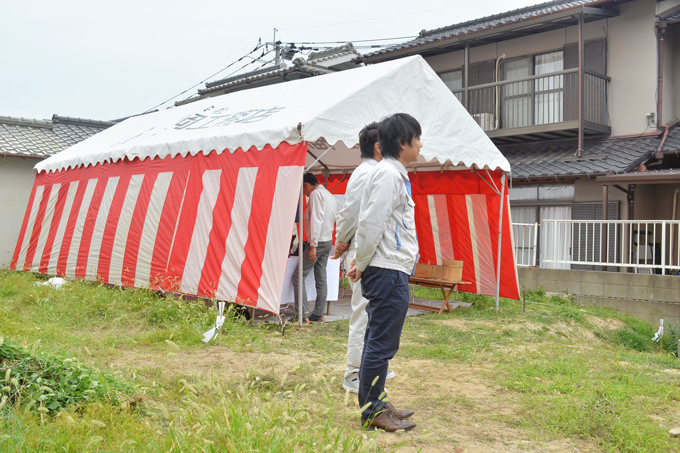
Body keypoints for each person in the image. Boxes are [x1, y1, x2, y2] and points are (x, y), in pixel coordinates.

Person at [348, 113, 422, 432]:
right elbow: (371, 222)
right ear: (403, 143)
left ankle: (376, 401)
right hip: (386, 269)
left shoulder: (393, 174)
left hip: (391, 267)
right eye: (416, 138)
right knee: (380, 342)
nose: (420, 144)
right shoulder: (389, 175)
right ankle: (372, 410)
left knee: (378, 340)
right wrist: (361, 263)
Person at [332, 123, 395, 393]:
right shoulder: (365, 173)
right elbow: (349, 213)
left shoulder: (379, 172)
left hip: (374, 253)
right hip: (362, 252)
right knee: (362, 313)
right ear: (379, 146)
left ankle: (371, 366)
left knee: (375, 314)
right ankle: (354, 372)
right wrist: (342, 243)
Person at [291, 172, 337, 323]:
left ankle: (302, 314)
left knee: (298, 276)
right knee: (321, 276)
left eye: (303, 190)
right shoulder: (328, 195)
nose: (304, 194)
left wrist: (313, 245)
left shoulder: (316, 195)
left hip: (318, 242)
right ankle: (318, 314)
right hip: (328, 239)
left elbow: (316, 220)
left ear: (306, 185)